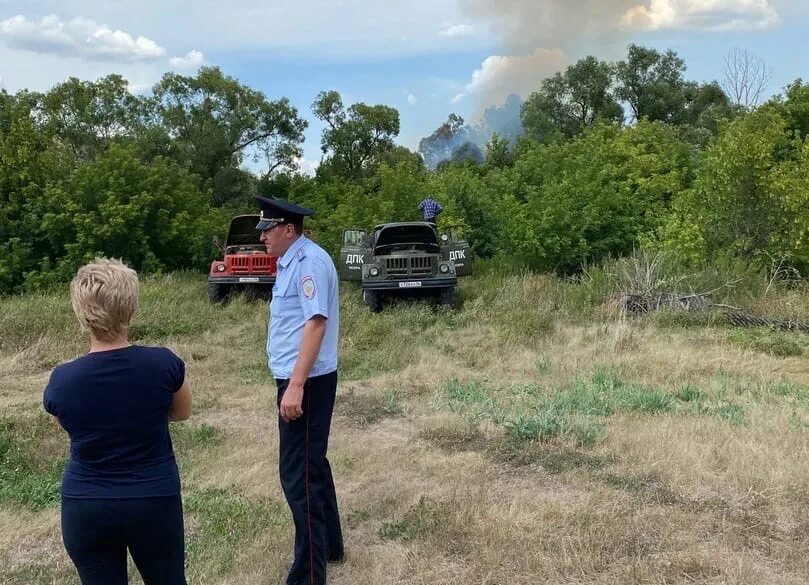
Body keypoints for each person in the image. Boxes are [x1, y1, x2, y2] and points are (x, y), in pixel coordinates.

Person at [42, 258, 192, 585]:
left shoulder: (63, 379)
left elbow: (66, 423)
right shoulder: (164, 364)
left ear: (80, 311)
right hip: (153, 498)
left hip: (86, 504)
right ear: (131, 306)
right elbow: (182, 412)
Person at [256, 196, 344, 585]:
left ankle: (309, 573)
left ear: (288, 229)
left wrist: (295, 386)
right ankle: (329, 547)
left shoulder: (308, 262)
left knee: (299, 474)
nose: (262, 238)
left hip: (305, 380)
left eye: (267, 230)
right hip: (302, 377)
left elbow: (315, 324)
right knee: (313, 464)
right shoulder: (294, 259)